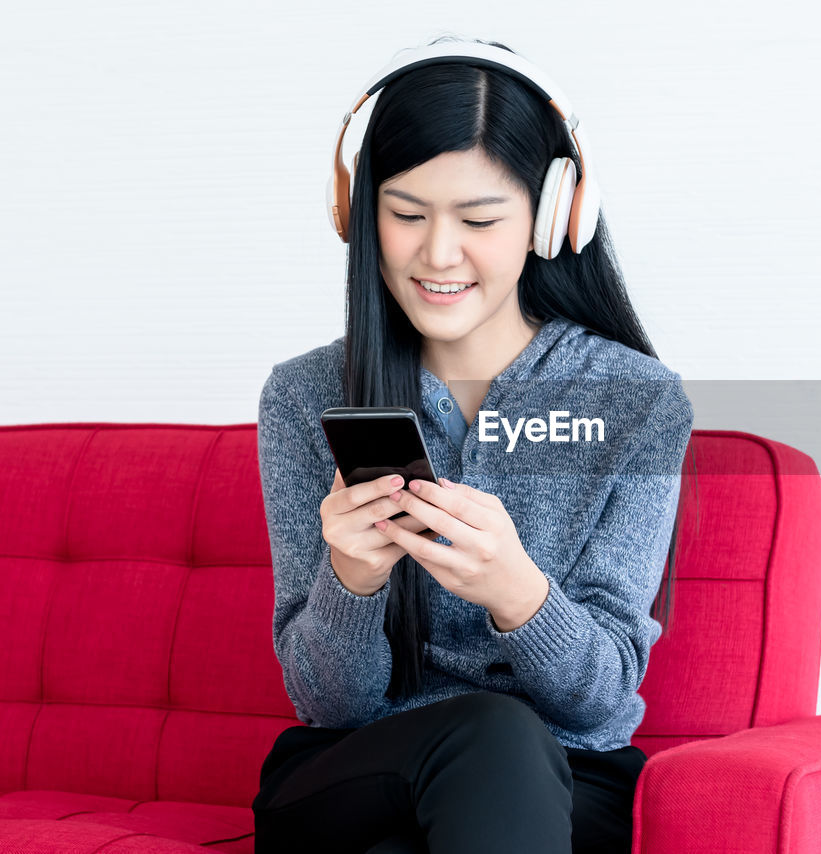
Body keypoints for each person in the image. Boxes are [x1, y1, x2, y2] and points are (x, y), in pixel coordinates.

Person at [250, 34, 697, 854]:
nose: (437, 254)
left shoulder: (635, 402)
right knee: (481, 743)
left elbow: (599, 704)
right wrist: (350, 581)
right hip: (353, 769)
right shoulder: (305, 397)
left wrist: (517, 592)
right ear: (359, 211)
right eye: (406, 214)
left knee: (485, 762)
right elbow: (328, 704)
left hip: (561, 778)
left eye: (480, 219)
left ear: (553, 217)